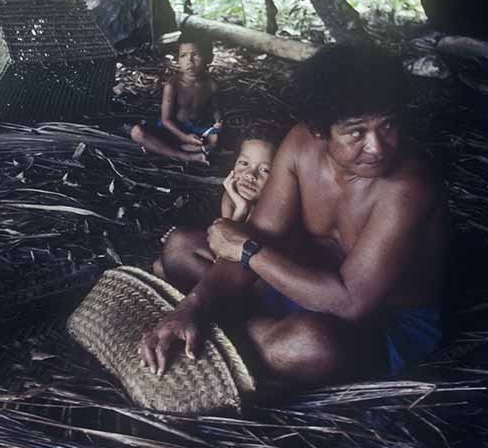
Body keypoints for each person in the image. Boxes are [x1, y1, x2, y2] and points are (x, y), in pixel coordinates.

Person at [139, 45, 449, 387]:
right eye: (357, 132)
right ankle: (234, 333)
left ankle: (221, 338)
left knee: (309, 345)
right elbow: (262, 234)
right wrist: (191, 307)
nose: (377, 146)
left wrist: (248, 253)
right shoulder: (301, 145)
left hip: (380, 321)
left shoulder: (409, 185)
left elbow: (350, 303)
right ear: (319, 130)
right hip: (300, 282)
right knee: (182, 247)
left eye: (388, 125)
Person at [154, 130, 279, 288]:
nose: (250, 174)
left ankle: (229, 306)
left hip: (259, 280)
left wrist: (242, 209)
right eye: (244, 163)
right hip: (230, 260)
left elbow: (226, 254)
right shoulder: (231, 195)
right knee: (161, 265)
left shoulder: (272, 210)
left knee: (177, 246)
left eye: (264, 170)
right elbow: (222, 243)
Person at [130, 37, 223, 165]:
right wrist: (184, 137)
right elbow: (166, 120)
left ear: (209, 58)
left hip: (196, 130)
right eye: (183, 56)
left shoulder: (211, 85)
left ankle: (163, 148)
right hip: (171, 129)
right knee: (137, 132)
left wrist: (218, 120)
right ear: (178, 59)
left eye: (195, 55)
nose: (189, 61)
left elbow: (215, 108)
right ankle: (184, 155)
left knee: (216, 138)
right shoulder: (173, 85)